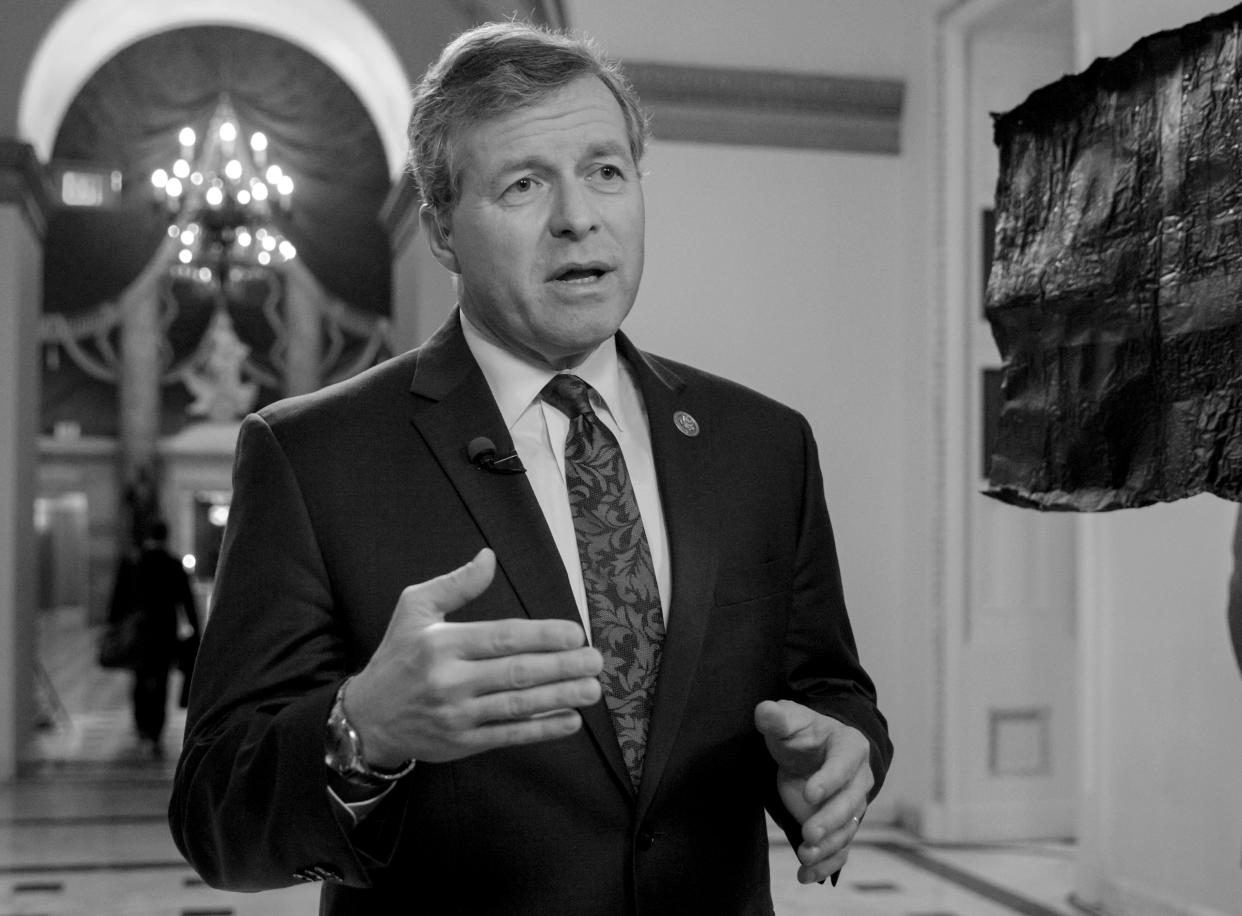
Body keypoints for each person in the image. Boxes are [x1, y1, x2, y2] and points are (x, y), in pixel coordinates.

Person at [169, 21, 892, 915]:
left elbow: (829, 690)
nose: (578, 216)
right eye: (523, 184)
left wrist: (841, 751)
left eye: (606, 171)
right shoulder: (312, 457)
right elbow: (214, 818)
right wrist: (365, 729)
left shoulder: (763, 445)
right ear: (440, 230)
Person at [108, 518, 200, 759]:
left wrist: (113, 627)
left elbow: (118, 601)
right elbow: (187, 602)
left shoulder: (133, 563)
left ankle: (141, 726)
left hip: (138, 633)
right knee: (161, 681)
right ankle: (156, 731)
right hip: (164, 632)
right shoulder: (173, 564)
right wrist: (196, 631)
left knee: (139, 678)